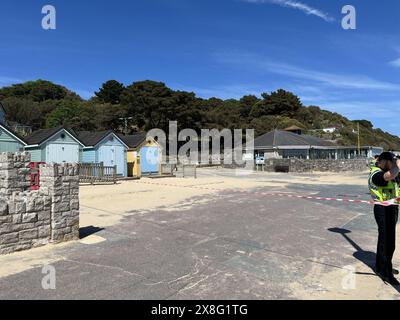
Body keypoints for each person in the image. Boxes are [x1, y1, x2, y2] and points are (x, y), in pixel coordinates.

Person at [369, 152, 400, 285]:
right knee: (386, 240)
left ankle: (383, 265)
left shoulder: (390, 171)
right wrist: (397, 165)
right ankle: (384, 271)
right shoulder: (376, 173)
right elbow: (390, 175)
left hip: (392, 208)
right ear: (384, 161)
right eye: (391, 161)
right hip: (382, 209)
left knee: (387, 239)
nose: (393, 164)